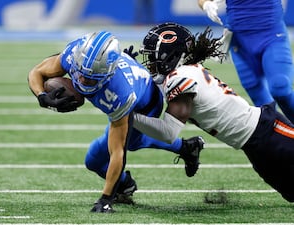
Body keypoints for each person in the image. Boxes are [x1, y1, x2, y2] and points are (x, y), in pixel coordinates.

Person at [27, 31, 204, 213]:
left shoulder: (120, 92)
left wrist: (105, 199)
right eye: (80, 74)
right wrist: (42, 97)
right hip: (131, 83)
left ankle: (180, 151)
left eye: (90, 78)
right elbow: (37, 72)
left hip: (145, 104)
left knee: (115, 149)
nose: (82, 81)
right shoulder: (73, 54)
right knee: (94, 160)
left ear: (107, 74)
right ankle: (184, 149)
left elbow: (118, 152)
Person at [132, 22, 294, 202]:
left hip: (268, 131)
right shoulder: (184, 73)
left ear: (170, 55)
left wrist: (128, 117)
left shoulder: (180, 78)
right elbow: (158, 86)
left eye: (153, 58)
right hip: (252, 146)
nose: (151, 65)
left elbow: (168, 133)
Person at [198, 0, 294, 124]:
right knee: (264, 106)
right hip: (240, 43)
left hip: (271, 36)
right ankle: (284, 139)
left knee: (280, 87)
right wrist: (206, 5)